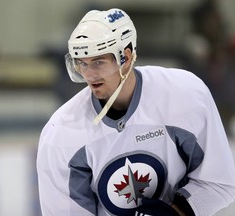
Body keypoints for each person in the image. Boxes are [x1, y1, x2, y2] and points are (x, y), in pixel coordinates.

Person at [37, 8, 235, 216]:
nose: (89, 74)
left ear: (126, 58)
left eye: (98, 62)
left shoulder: (185, 96)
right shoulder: (61, 132)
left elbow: (219, 181)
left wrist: (177, 212)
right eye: (82, 64)